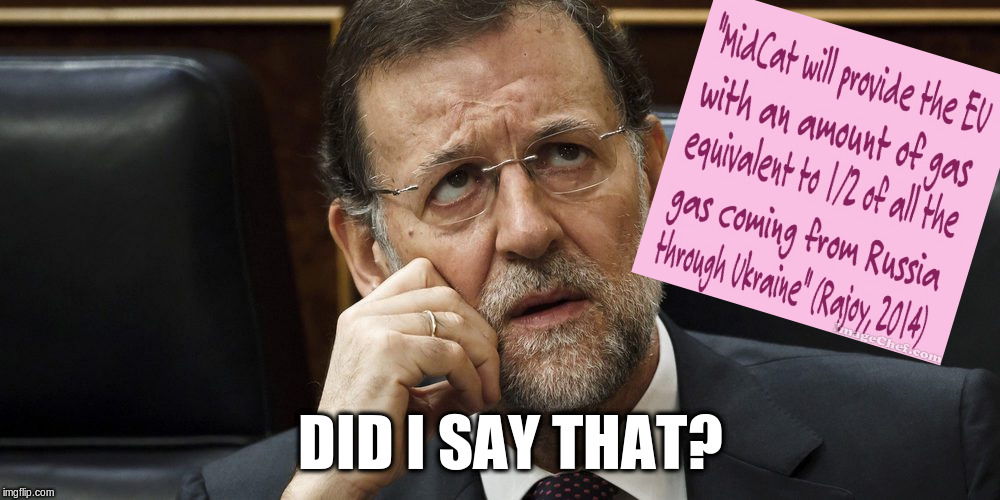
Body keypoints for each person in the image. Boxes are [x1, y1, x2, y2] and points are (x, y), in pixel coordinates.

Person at [179, 0, 1000, 498]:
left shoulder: (936, 446)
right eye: (455, 183)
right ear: (369, 253)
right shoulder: (270, 492)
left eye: (564, 153)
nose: (527, 229)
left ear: (652, 171)